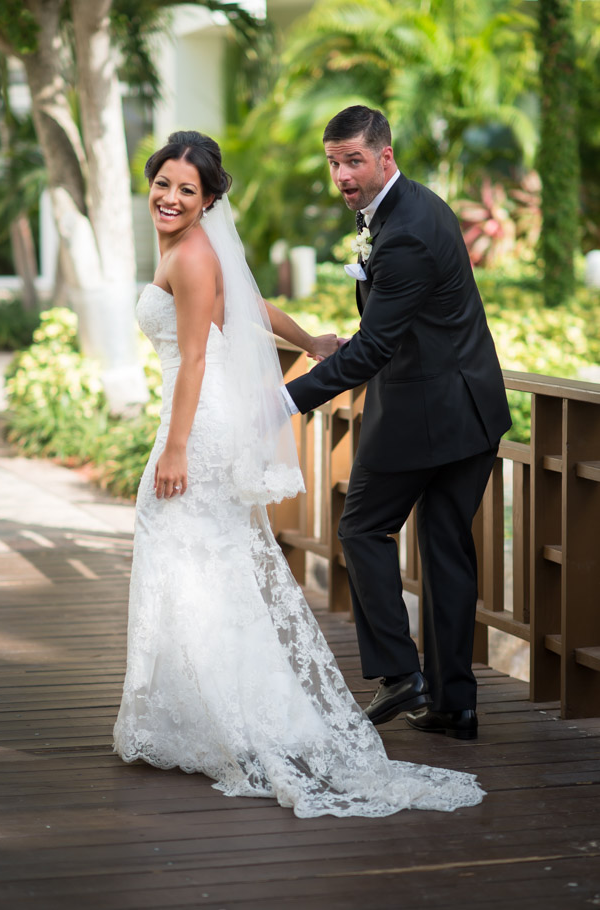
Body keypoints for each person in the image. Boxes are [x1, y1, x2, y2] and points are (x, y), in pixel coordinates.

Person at [113, 129, 485, 817]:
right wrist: (310, 339)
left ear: (209, 198)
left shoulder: (191, 255)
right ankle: (214, 709)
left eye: (185, 189)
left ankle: (248, 713)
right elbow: (245, 304)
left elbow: (195, 358)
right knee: (213, 563)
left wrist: (176, 448)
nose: (169, 196)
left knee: (205, 557)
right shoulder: (203, 248)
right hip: (229, 417)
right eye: (163, 183)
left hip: (205, 423)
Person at [285, 106, 512, 741]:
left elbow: (374, 348)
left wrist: (286, 400)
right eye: (333, 162)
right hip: (469, 409)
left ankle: (398, 675)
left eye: (353, 160)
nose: (342, 174)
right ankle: (452, 705)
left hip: (428, 414)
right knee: (445, 552)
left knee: (361, 529)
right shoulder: (412, 206)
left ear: (384, 156)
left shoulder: (404, 229)